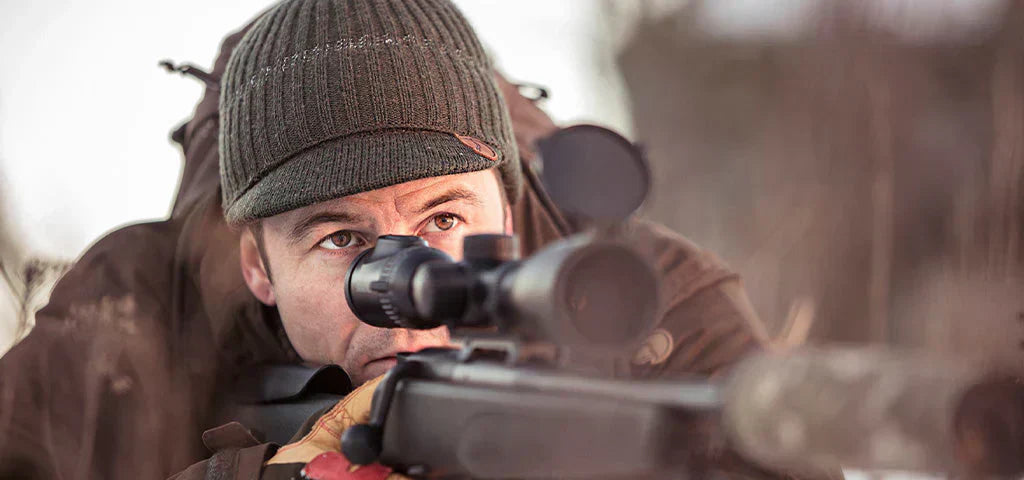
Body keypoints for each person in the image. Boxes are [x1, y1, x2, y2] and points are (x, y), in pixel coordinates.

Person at [0, 1, 772, 478]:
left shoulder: (653, 301)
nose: (405, 293)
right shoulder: (132, 316)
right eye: (340, 237)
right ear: (257, 265)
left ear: (505, 217)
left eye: (443, 219)